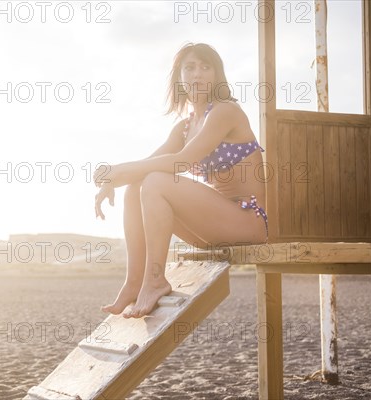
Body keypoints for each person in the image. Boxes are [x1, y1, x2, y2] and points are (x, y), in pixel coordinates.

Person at [93, 43, 267, 319]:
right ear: (179, 78)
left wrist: (118, 170)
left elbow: (181, 162)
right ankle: (134, 281)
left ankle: (155, 280)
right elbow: (145, 165)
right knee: (137, 186)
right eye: (189, 67)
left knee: (156, 182)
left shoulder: (225, 112)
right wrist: (113, 180)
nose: (197, 74)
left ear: (217, 75)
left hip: (249, 222)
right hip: (215, 225)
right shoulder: (184, 127)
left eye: (205, 67)